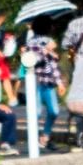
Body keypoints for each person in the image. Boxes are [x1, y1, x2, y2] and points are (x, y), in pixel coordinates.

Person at [27, 16, 66, 150]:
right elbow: (32, 60)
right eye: (51, 25)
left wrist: (59, 82)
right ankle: (36, 139)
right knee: (36, 113)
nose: (53, 28)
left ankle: (45, 136)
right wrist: (47, 50)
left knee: (54, 111)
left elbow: (53, 65)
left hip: (49, 82)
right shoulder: (31, 42)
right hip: (36, 82)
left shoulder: (49, 41)